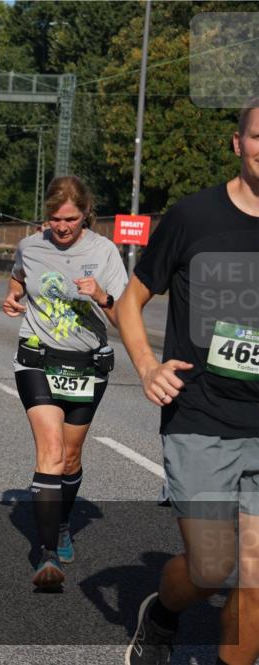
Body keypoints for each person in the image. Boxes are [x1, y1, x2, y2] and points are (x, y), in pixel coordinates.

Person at [118, 98, 259, 665]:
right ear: (238, 143)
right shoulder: (193, 217)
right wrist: (147, 367)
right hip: (201, 417)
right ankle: (162, 615)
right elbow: (130, 300)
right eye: (258, 136)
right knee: (211, 569)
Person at [2, 175, 127, 590]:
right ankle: (47, 555)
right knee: (51, 450)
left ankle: (61, 523)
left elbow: (124, 316)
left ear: (85, 213)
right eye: (55, 219)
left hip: (87, 365)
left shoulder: (104, 252)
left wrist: (102, 296)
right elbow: (19, 277)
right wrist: (13, 296)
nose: (61, 227)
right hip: (37, 358)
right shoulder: (30, 246)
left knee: (70, 458)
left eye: (70, 219)